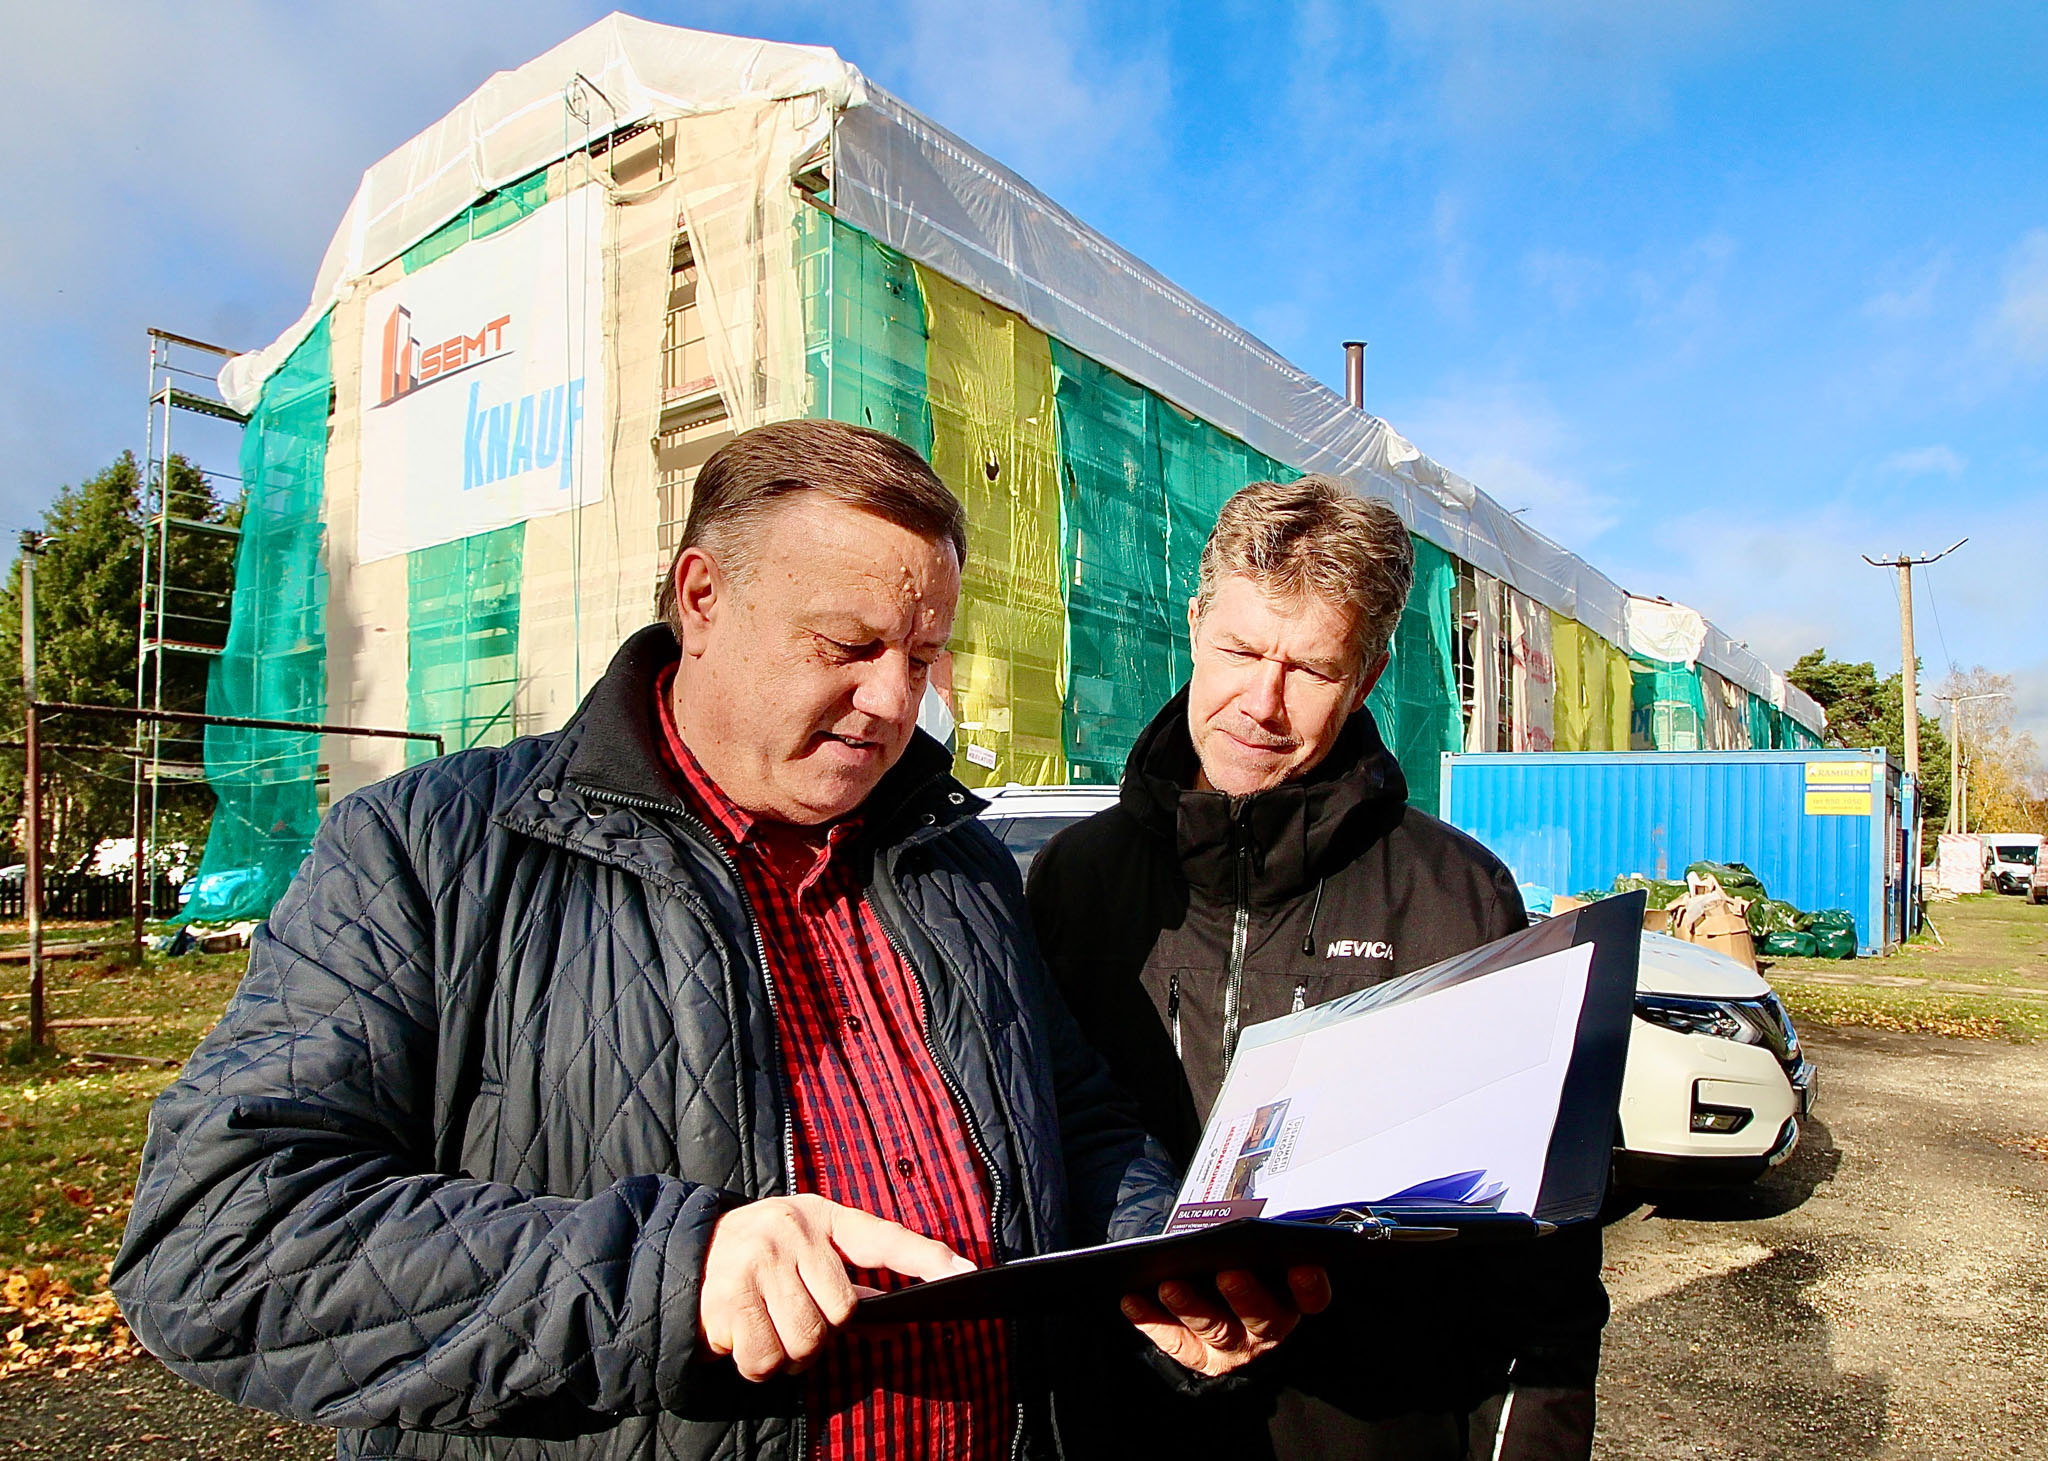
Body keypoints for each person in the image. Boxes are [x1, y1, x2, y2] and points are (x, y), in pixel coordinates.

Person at [113, 420, 1319, 1461]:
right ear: (701, 600)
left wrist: (1164, 1251)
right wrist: (670, 1278)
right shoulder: (428, 849)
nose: (897, 703)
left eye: (922, 655)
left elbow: (1074, 1123)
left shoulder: (952, 859)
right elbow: (217, 1246)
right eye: (845, 647)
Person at [1029, 476, 1608, 1460]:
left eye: (1309, 667)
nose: (1261, 702)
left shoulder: (1460, 902)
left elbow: (1541, 1273)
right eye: (1241, 650)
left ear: (1370, 672)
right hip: (1113, 1429)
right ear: (1193, 618)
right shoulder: (1070, 884)